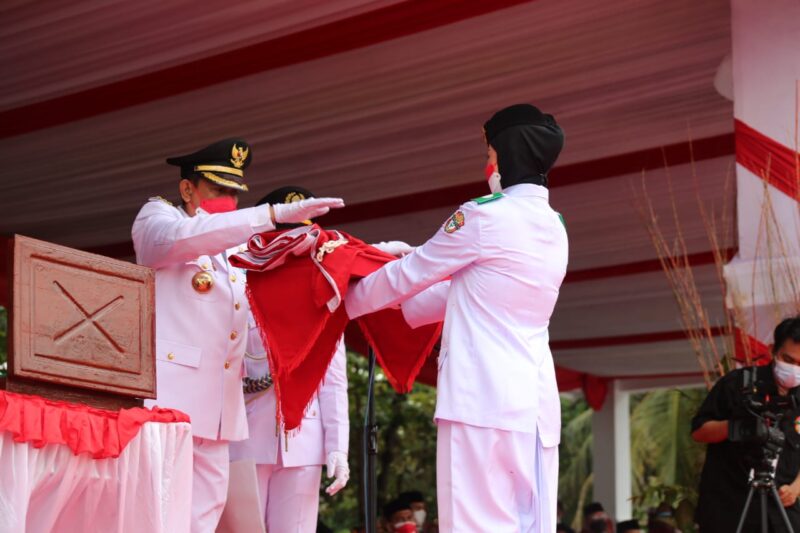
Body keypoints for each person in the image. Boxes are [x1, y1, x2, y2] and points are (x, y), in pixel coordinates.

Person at [345, 104, 568, 532]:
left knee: (476, 524)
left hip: (480, 401)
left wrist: (341, 301)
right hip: (535, 408)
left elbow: (410, 276)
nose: (488, 163)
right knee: (529, 524)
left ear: (505, 156)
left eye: (491, 153)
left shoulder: (483, 215)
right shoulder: (555, 226)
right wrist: (408, 277)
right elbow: (468, 291)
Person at [131, 139, 344, 533]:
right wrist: (270, 214)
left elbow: (292, 278)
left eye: (234, 192)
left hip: (221, 412)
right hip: (170, 401)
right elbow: (178, 240)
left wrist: (370, 260)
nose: (228, 200)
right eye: (218, 190)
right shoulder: (157, 218)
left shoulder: (236, 250)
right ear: (187, 189)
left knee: (204, 520)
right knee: (159, 514)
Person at [228, 185, 350, 532]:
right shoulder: (240, 286)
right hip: (248, 434)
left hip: (305, 441)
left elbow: (333, 381)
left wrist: (337, 448)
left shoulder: (324, 293)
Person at [692, 316, 800, 532]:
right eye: (788, 360)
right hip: (732, 506)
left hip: (785, 510)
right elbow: (699, 431)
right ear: (773, 350)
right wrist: (737, 427)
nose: (795, 369)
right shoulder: (739, 384)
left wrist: (797, 487)